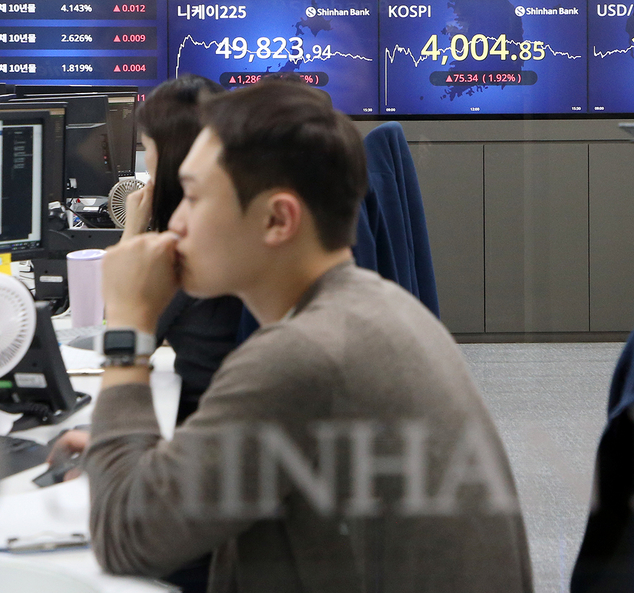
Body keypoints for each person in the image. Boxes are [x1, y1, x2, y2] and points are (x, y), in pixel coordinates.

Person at [62, 80, 533, 592]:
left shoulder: (299, 356)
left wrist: (129, 322)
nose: (174, 222)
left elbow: (127, 538)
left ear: (277, 219)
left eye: (192, 196)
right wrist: (132, 456)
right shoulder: (379, 306)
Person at [121, 74, 245, 424]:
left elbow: (120, 339)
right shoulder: (238, 234)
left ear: (170, 155)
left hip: (197, 429)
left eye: (146, 147)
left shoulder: (189, 252)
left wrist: (132, 232)